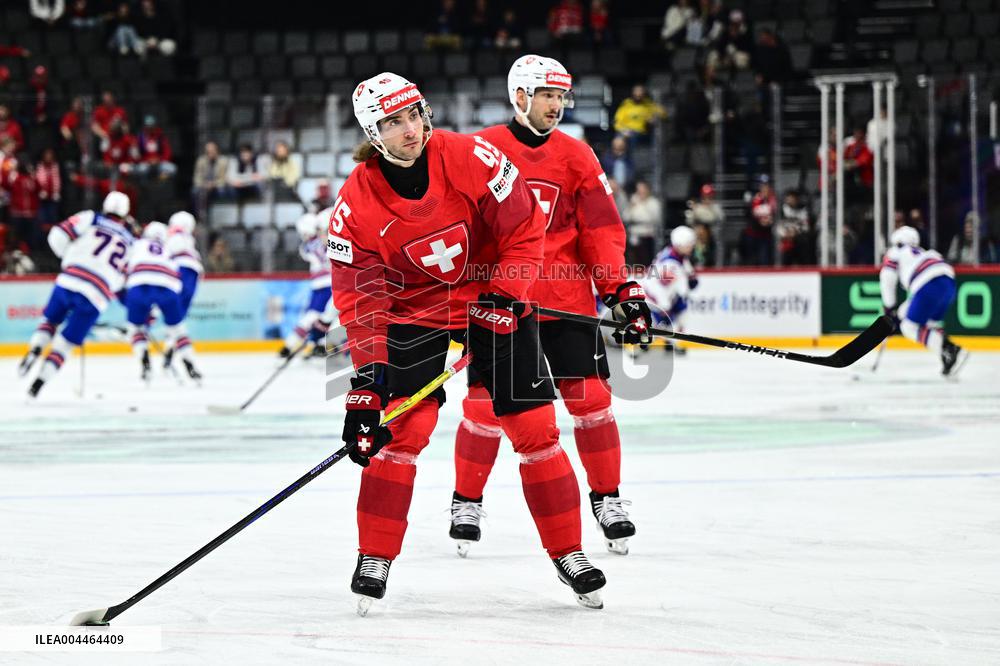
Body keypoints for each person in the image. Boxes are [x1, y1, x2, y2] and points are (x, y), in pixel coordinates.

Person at [330, 71, 614, 614]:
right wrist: (366, 384)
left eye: (414, 113)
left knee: (535, 428)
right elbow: (360, 299)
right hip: (416, 312)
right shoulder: (355, 204)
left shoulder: (471, 157)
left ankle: (569, 552)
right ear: (373, 131)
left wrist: (507, 297)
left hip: (492, 298)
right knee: (402, 433)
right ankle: (375, 556)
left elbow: (525, 228)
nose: (410, 129)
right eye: (393, 122)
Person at [450, 54, 650, 559]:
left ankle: (607, 499)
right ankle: (466, 500)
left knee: (592, 402)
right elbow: (461, 231)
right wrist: (458, 301)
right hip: (502, 302)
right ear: (520, 96)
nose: (557, 106)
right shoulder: (482, 150)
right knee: (484, 408)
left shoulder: (578, 156)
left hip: (566, 302)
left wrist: (619, 290)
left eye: (562, 97)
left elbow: (600, 230)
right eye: (547, 95)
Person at [19, 192, 136, 396]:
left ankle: (35, 349)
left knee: (50, 320)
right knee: (65, 344)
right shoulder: (130, 242)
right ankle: (38, 384)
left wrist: (70, 257)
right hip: (96, 294)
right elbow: (122, 281)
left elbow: (58, 234)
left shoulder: (91, 217)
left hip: (69, 279)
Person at [880, 226, 968, 377]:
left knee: (908, 327)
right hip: (948, 283)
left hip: (927, 284)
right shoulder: (922, 252)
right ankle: (946, 353)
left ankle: (949, 349)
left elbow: (887, 279)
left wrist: (889, 309)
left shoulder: (895, 252)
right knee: (924, 322)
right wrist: (897, 313)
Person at [124, 221, 202, 382]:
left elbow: (124, 265)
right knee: (178, 330)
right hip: (167, 286)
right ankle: (190, 362)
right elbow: (177, 272)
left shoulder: (137, 244)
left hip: (140, 283)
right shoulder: (168, 249)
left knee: (135, 328)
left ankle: (144, 359)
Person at [276, 213, 331, 359]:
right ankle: (317, 344)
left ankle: (289, 346)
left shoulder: (310, 245)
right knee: (318, 317)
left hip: (325, 286)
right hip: (323, 286)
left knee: (314, 316)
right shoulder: (313, 244)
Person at [643, 225, 699, 351]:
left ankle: (668, 340)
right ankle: (648, 341)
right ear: (680, 244)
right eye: (689, 244)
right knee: (663, 321)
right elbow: (662, 283)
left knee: (679, 314)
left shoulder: (675, 255)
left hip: (663, 295)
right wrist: (664, 305)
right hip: (658, 297)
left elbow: (690, 279)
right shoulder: (670, 263)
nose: (691, 246)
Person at [166, 210, 202, 319]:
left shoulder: (172, 237)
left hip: (179, 268)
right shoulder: (187, 240)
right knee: (179, 309)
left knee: (170, 304)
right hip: (191, 270)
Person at [623, 179, 663, 265]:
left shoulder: (653, 202)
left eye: (642, 189)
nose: (640, 192)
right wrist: (632, 206)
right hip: (634, 234)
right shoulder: (634, 201)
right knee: (633, 261)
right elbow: (625, 217)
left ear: (647, 189)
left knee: (646, 261)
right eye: (638, 189)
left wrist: (642, 206)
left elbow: (654, 219)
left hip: (647, 235)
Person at [741, 175, 777, 265]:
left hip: (766, 236)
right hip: (753, 234)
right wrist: (759, 220)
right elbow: (748, 215)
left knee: (764, 260)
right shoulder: (754, 199)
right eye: (762, 186)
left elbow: (775, 216)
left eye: (766, 186)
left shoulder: (773, 200)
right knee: (751, 260)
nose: (765, 188)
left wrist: (769, 221)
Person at [192, 141, 230, 209]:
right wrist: (204, 184)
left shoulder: (223, 161)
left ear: (217, 151)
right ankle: (199, 215)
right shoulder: (201, 160)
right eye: (208, 152)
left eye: (212, 151)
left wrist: (213, 184)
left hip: (218, 185)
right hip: (204, 185)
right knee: (195, 191)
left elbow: (224, 178)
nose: (210, 153)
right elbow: (197, 177)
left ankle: (220, 212)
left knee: (222, 191)